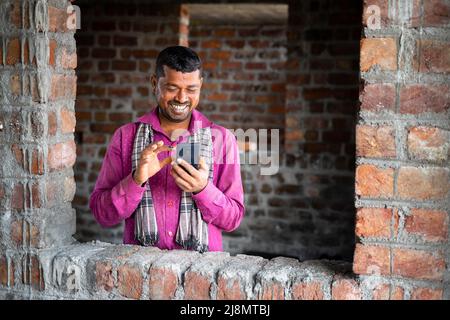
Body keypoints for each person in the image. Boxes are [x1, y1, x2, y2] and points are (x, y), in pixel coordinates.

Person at [89, 46, 245, 252]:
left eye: (191, 89)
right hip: (139, 272)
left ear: (201, 85)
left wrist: (202, 189)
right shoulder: (125, 137)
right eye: (172, 88)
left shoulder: (222, 139)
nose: (182, 98)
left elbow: (233, 219)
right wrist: (135, 180)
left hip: (201, 275)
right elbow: (102, 214)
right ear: (155, 83)